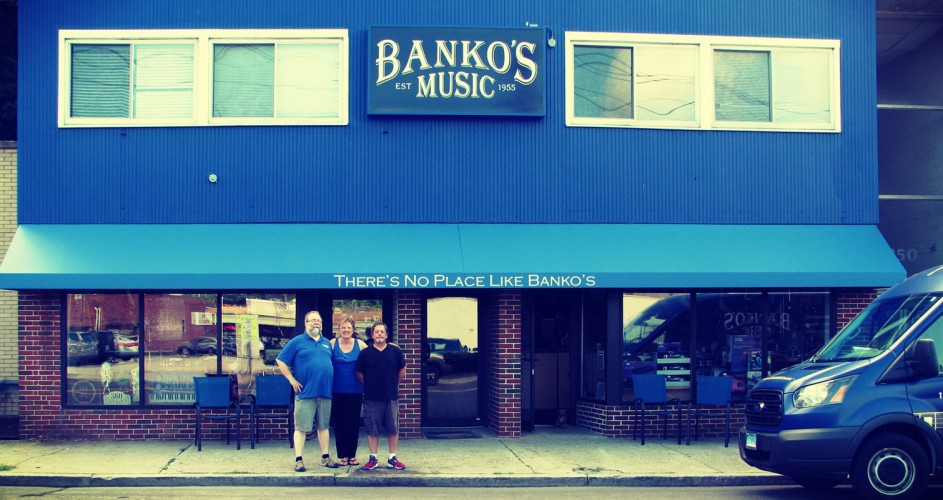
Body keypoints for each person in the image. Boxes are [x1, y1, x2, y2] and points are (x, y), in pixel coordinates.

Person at [275, 310, 340, 471]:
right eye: (313, 320)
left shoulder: (326, 342)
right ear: (306, 324)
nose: (316, 323)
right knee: (301, 428)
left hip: (325, 392)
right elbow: (280, 360)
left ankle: (325, 457)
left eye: (319, 320)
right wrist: (291, 379)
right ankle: (299, 460)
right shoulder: (297, 342)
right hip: (305, 393)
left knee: (323, 427)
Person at [356, 321, 407, 470]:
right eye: (376, 332)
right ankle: (373, 459)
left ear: (386, 335)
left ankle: (392, 458)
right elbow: (359, 373)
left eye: (382, 332)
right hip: (372, 397)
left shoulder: (395, 351)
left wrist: (392, 384)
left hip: (391, 397)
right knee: (372, 428)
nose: (379, 334)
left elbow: (402, 370)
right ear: (372, 335)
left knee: (393, 428)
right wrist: (370, 385)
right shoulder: (365, 353)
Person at [330, 315, 367, 466]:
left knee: (353, 423)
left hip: (356, 391)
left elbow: (374, 356)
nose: (346, 330)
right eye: (343, 328)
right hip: (337, 391)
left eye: (348, 328)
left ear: (353, 330)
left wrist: (391, 347)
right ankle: (343, 455)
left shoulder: (361, 345)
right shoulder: (332, 344)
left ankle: (352, 455)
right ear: (339, 330)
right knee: (339, 424)